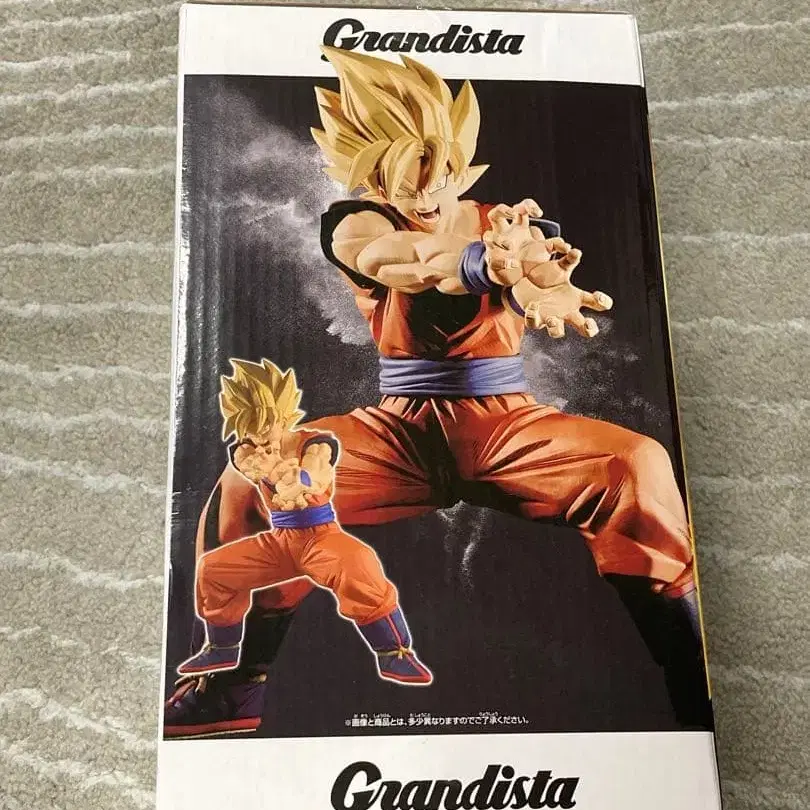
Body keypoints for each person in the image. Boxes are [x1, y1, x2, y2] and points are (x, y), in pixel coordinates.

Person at [164, 48, 709, 737]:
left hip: (507, 428)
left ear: (460, 154)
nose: (426, 192)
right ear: (369, 173)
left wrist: (546, 285)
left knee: (638, 465)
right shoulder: (359, 223)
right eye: (404, 178)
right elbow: (408, 263)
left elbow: (537, 271)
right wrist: (484, 265)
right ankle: (235, 682)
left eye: (440, 171)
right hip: (400, 436)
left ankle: (695, 678)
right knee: (249, 487)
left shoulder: (506, 221)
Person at [164, 359, 431, 739]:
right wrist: (273, 472)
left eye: (265, 425)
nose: (259, 437)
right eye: (249, 429)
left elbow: (318, 469)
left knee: (360, 565)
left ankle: (395, 653)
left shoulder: (314, 441)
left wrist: (301, 480)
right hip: (281, 543)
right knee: (215, 568)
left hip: (320, 536)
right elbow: (254, 467)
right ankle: (222, 647)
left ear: (283, 415)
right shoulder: (246, 450)